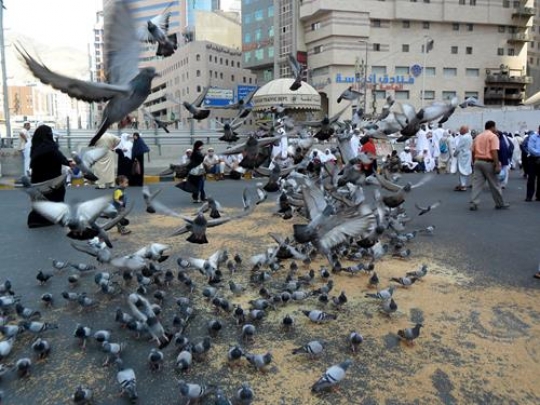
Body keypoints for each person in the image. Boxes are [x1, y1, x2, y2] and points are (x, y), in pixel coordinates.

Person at [27, 124, 74, 228]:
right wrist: (70, 163)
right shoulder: (51, 148)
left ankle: (35, 219)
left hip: (36, 182)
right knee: (58, 194)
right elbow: (62, 160)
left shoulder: (34, 148)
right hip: (52, 182)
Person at [469, 120, 509, 211]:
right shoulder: (493, 136)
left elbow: (472, 151)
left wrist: (474, 162)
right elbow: (494, 151)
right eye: (495, 127)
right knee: (494, 184)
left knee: (476, 184)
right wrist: (497, 164)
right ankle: (499, 203)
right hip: (488, 162)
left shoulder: (478, 136)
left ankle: (474, 203)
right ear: (492, 127)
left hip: (478, 161)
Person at [454, 125, 473, 191]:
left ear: (464, 130)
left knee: (462, 170)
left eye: (461, 129)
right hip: (468, 154)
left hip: (462, 155)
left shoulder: (464, 137)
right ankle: (462, 184)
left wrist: (455, 154)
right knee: (465, 169)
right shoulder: (470, 136)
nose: (460, 131)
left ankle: (463, 185)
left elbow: (458, 148)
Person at [525, 126, 540, 202]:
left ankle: (539, 196)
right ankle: (529, 196)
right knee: (531, 178)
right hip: (533, 159)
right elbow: (531, 149)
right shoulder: (533, 137)